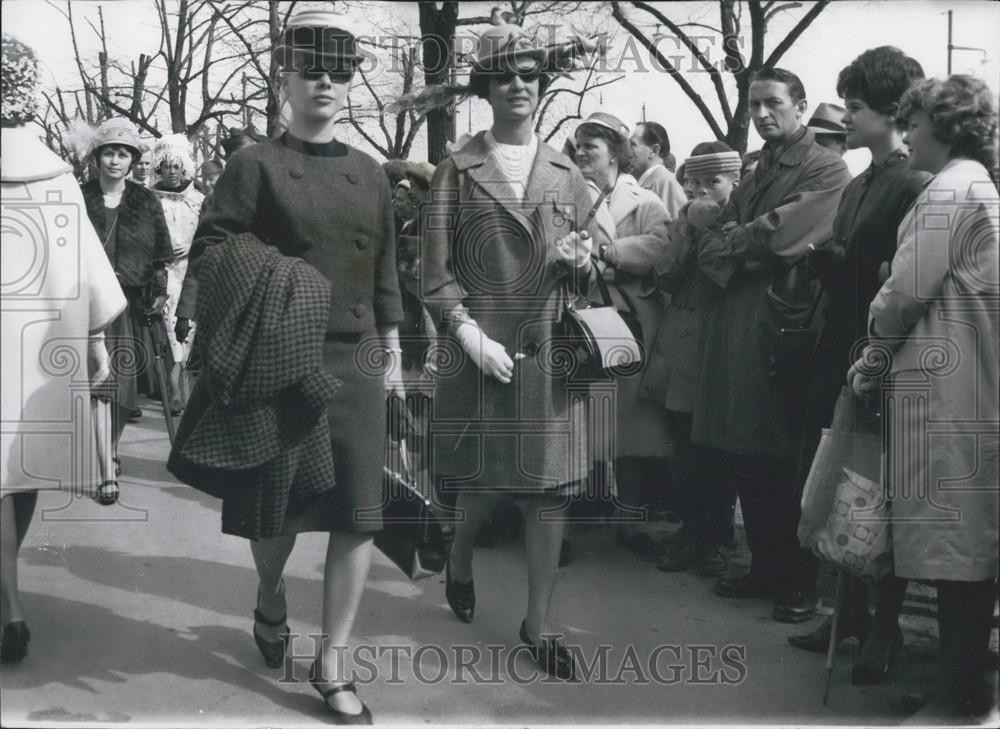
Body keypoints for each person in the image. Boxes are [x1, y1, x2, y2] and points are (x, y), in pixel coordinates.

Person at [178, 9, 404, 721]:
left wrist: (393, 350)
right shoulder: (254, 166)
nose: (328, 82)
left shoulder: (370, 171)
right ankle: (271, 595)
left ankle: (333, 661)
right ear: (288, 75)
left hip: (359, 359)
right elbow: (212, 250)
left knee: (359, 515)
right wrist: (282, 289)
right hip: (282, 358)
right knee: (277, 510)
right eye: (313, 68)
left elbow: (387, 271)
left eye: (341, 70)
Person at [421, 22, 597, 681]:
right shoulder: (456, 170)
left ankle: (539, 623)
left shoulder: (566, 171)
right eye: (505, 75)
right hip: (480, 349)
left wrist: (584, 264)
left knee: (548, 492)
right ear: (486, 88)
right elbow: (434, 275)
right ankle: (459, 558)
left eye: (529, 74)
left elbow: (585, 265)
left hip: (548, 353)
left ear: (541, 85)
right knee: (484, 482)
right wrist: (468, 336)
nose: (519, 84)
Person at [849, 74, 998, 723]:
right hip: (968, 378)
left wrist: (873, 340)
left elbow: (905, 293)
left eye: (915, 123)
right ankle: (959, 683)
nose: (906, 134)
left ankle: (959, 696)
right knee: (964, 538)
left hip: (944, 386)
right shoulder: (980, 187)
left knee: (952, 542)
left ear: (944, 126)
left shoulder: (948, 191)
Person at [787, 47, 930, 687]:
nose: (846, 117)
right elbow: (853, 257)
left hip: (883, 357)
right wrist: (831, 258)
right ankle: (843, 613)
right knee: (841, 480)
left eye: (857, 107)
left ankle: (883, 628)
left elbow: (901, 280)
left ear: (893, 113)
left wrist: (848, 264)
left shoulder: (913, 183)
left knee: (883, 491)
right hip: (836, 346)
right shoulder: (860, 180)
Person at [694, 67, 851, 622]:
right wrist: (746, 243)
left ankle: (798, 581)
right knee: (746, 456)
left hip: (784, 330)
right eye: (753, 105)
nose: (761, 114)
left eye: (772, 103)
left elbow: (785, 235)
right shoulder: (759, 168)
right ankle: (764, 566)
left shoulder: (827, 167)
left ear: (801, 105)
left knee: (786, 456)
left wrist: (742, 241)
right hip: (743, 323)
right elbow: (712, 246)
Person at [1, 34, 126, 663]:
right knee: (16, 471)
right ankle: (9, 601)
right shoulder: (57, 177)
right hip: (37, 348)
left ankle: (8, 602)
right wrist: (97, 342)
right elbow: (86, 274)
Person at [575, 111, 673, 561]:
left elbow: (661, 246)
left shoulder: (647, 200)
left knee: (631, 425)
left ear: (614, 152)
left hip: (631, 321)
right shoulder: (571, 197)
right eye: (578, 147)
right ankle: (585, 507)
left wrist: (609, 252)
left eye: (590, 147)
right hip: (585, 319)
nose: (581, 154)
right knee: (586, 419)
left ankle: (631, 515)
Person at [642, 142, 742, 576]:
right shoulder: (683, 221)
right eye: (693, 182)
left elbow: (725, 274)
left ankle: (718, 537)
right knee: (682, 448)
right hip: (682, 346)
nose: (701, 191)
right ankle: (690, 533)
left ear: (734, 183)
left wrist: (713, 231)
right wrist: (687, 230)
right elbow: (663, 274)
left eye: (712, 182)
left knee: (718, 451)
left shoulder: (741, 222)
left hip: (722, 345)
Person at [81, 117, 173, 498]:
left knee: (122, 391)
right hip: (85, 305)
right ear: (97, 157)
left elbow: (160, 256)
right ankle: (107, 473)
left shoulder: (145, 200)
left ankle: (110, 449)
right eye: (108, 153)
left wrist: (159, 293)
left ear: (132, 160)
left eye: (122, 154)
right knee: (100, 387)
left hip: (128, 306)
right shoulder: (78, 196)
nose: (115, 161)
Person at [151, 134, 205, 415]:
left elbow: (210, 236)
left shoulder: (197, 200)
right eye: (166, 166)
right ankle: (172, 391)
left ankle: (185, 390)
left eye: (176, 166)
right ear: (158, 167)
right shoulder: (149, 200)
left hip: (191, 273)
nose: (171, 171)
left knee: (188, 329)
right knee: (168, 331)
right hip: (163, 273)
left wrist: (193, 246)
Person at [629, 120, 686, 219]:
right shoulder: (653, 183)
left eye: (633, 144)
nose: (627, 149)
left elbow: (678, 229)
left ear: (654, 151)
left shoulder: (666, 183)